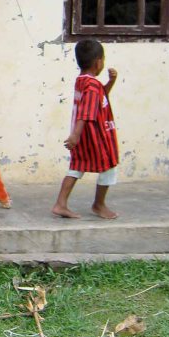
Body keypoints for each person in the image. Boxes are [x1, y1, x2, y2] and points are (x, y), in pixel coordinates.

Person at [52, 38, 119, 220]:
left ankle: (61, 203)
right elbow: (87, 110)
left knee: (76, 167)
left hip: (82, 135)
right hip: (96, 136)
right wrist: (75, 134)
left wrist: (110, 82)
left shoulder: (83, 81)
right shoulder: (92, 85)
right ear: (98, 62)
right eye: (103, 60)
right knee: (109, 165)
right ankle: (99, 204)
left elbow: (99, 96)